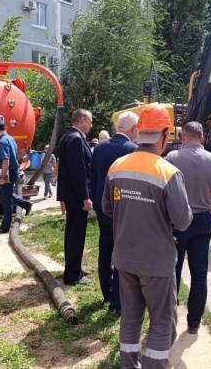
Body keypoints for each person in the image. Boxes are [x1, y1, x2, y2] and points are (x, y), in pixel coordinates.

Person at [103, 104, 192, 369]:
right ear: (164, 135)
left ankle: (129, 365)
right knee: (162, 319)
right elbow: (183, 221)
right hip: (156, 262)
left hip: (124, 258)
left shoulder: (116, 167)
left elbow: (107, 208)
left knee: (131, 316)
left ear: (140, 132)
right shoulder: (168, 172)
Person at [165, 121, 211, 334]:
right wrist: (209, 200)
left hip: (176, 220)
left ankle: (169, 318)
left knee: (172, 270)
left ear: (183, 137)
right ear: (202, 138)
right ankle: (193, 323)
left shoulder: (172, 158)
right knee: (199, 273)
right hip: (202, 220)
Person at [89, 111, 139, 316]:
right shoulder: (132, 150)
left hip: (102, 207)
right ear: (133, 129)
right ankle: (118, 301)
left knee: (105, 247)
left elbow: (92, 178)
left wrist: (95, 201)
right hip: (123, 209)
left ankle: (107, 292)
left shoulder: (100, 147)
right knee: (122, 253)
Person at [57, 109, 94, 285]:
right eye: (90, 121)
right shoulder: (76, 139)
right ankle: (72, 275)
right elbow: (78, 172)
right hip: (76, 196)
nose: (91, 125)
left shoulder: (69, 136)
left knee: (73, 233)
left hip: (71, 195)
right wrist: (85, 197)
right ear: (83, 120)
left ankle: (74, 268)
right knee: (76, 235)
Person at [0, 120, 33, 235]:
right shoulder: (11, 139)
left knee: (6, 200)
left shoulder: (2, 142)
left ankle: (5, 226)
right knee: (5, 194)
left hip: (8, 172)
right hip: (13, 171)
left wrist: (2, 177)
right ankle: (25, 204)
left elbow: (6, 161)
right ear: (5, 128)